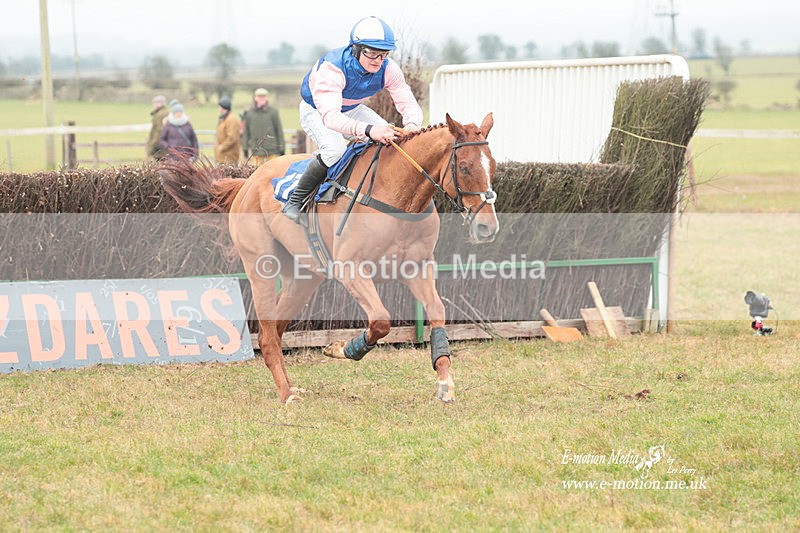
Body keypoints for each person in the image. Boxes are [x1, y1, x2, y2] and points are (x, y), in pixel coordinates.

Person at [282, 16, 423, 222]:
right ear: (355, 49)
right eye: (371, 52)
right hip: (318, 110)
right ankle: (295, 201)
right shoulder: (332, 68)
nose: (378, 60)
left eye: (383, 54)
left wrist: (412, 125)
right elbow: (331, 118)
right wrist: (368, 130)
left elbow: (407, 101)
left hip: (351, 108)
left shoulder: (389, 68)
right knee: (334, 150)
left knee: (391, 141)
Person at [242, 88, 285, 167]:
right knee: (257, 172)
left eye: (263, 97)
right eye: (259, 97)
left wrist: (282, 148)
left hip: (273, 150)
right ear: (255, 98)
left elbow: (278, 130)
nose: (262, 99)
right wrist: (245, 148)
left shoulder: (273, 112)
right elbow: (246, 132)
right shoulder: (249, 113)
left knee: (274, 171)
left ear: (266, 98)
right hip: (257, 149)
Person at [214, 96, 242, 164]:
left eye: (220, 107)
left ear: (224, 108)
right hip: (223, 157)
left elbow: (232, 138)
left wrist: (222, 147)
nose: (219, 109)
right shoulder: (223, 119)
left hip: (229, 158)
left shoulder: (231, 119)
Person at [146, 95, 169, 160]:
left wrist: (152, 146)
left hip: (159, 146)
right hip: (160, 145)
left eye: (156, 103)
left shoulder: (162, 114)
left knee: (161, 166)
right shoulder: (159, 113)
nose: (154, 105)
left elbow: (159, 131)